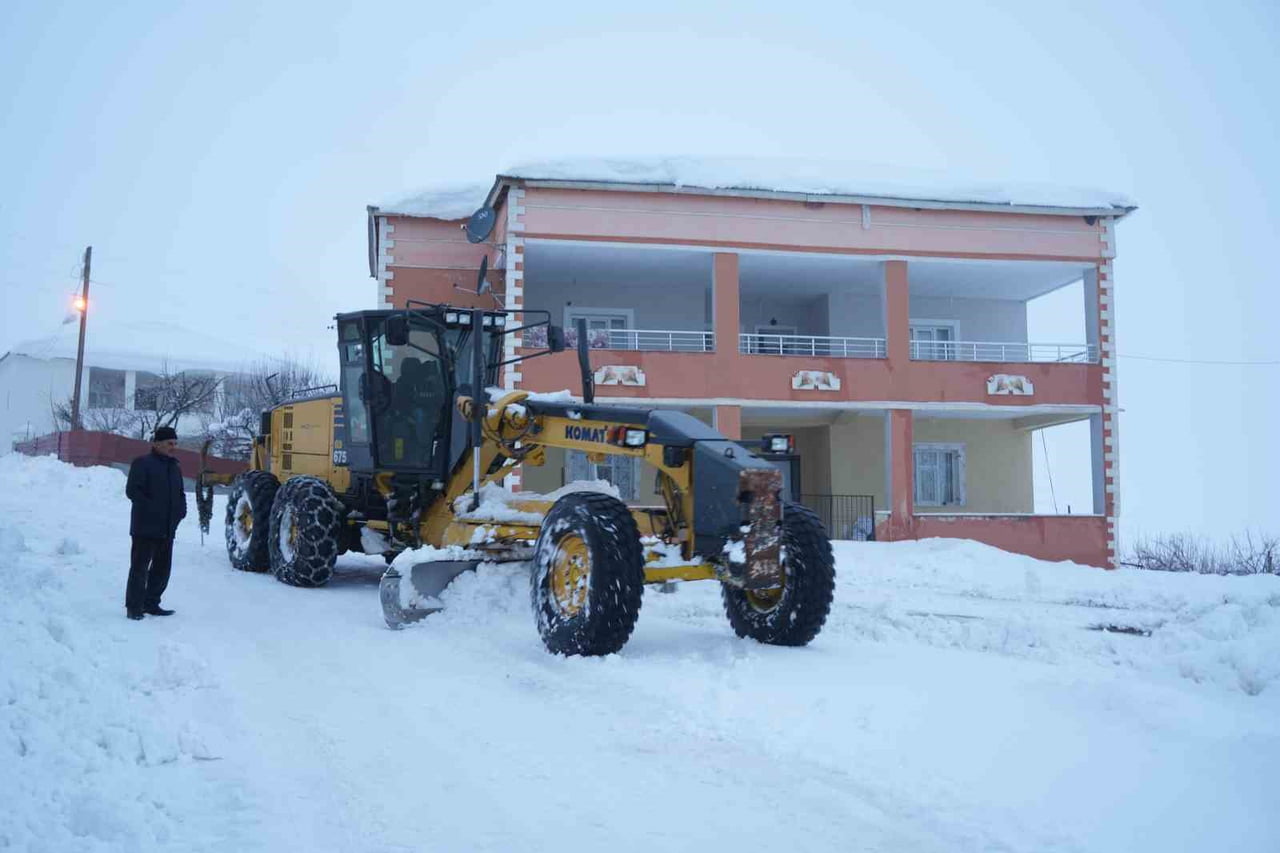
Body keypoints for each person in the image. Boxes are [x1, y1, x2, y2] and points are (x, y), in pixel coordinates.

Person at [124, 426, 187, 620]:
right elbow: (133, 492)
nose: (173, 447)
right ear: (157, 443)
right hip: (145, 528)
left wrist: (181, 512)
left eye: (175, 443)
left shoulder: (174, 467)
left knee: (161, 570)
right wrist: (152, 510)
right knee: (139, 569)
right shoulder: (142, 464)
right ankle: (134, 607)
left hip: (167, 529)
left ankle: (151, 603)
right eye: (169, 443)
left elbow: (180, 494)